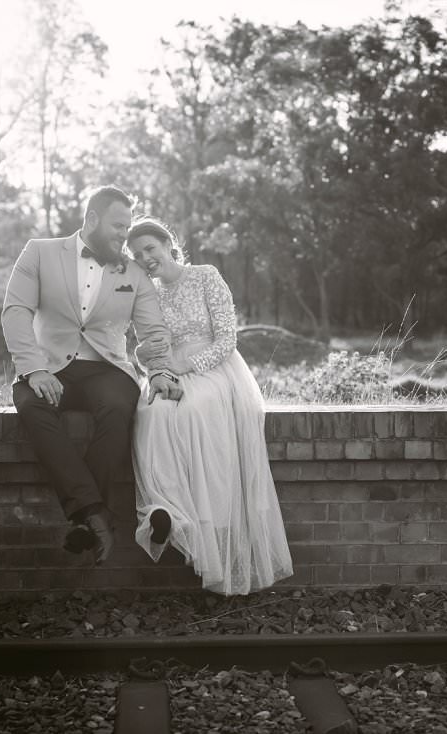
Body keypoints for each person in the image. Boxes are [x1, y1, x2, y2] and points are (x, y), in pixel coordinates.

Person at [1, 186, 181, 565]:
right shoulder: (39, 252)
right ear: (92, 219)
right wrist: (33, 369)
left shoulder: (133, 273)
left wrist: (161, 368)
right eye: (118, 225)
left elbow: (153, 330)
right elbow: (16, 311)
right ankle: (96, 515)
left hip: (106, 368)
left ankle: (88, 516)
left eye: (127, 226)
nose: (124, 235)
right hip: (49, 367)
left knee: (119, 405)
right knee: (31, 407)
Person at [127, 217, 293, 596]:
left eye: (150, 248)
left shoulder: (205, 276)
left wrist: (187, 366)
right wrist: (154, 367)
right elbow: (142, 349)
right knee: (149, 412)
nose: (145, 258)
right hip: (167, 372)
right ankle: (164, 513)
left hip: (214, 368)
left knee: (191, 411)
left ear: (169, 244)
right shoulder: (144, 292)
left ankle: (207, 523)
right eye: (137, 255)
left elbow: (227, 340)